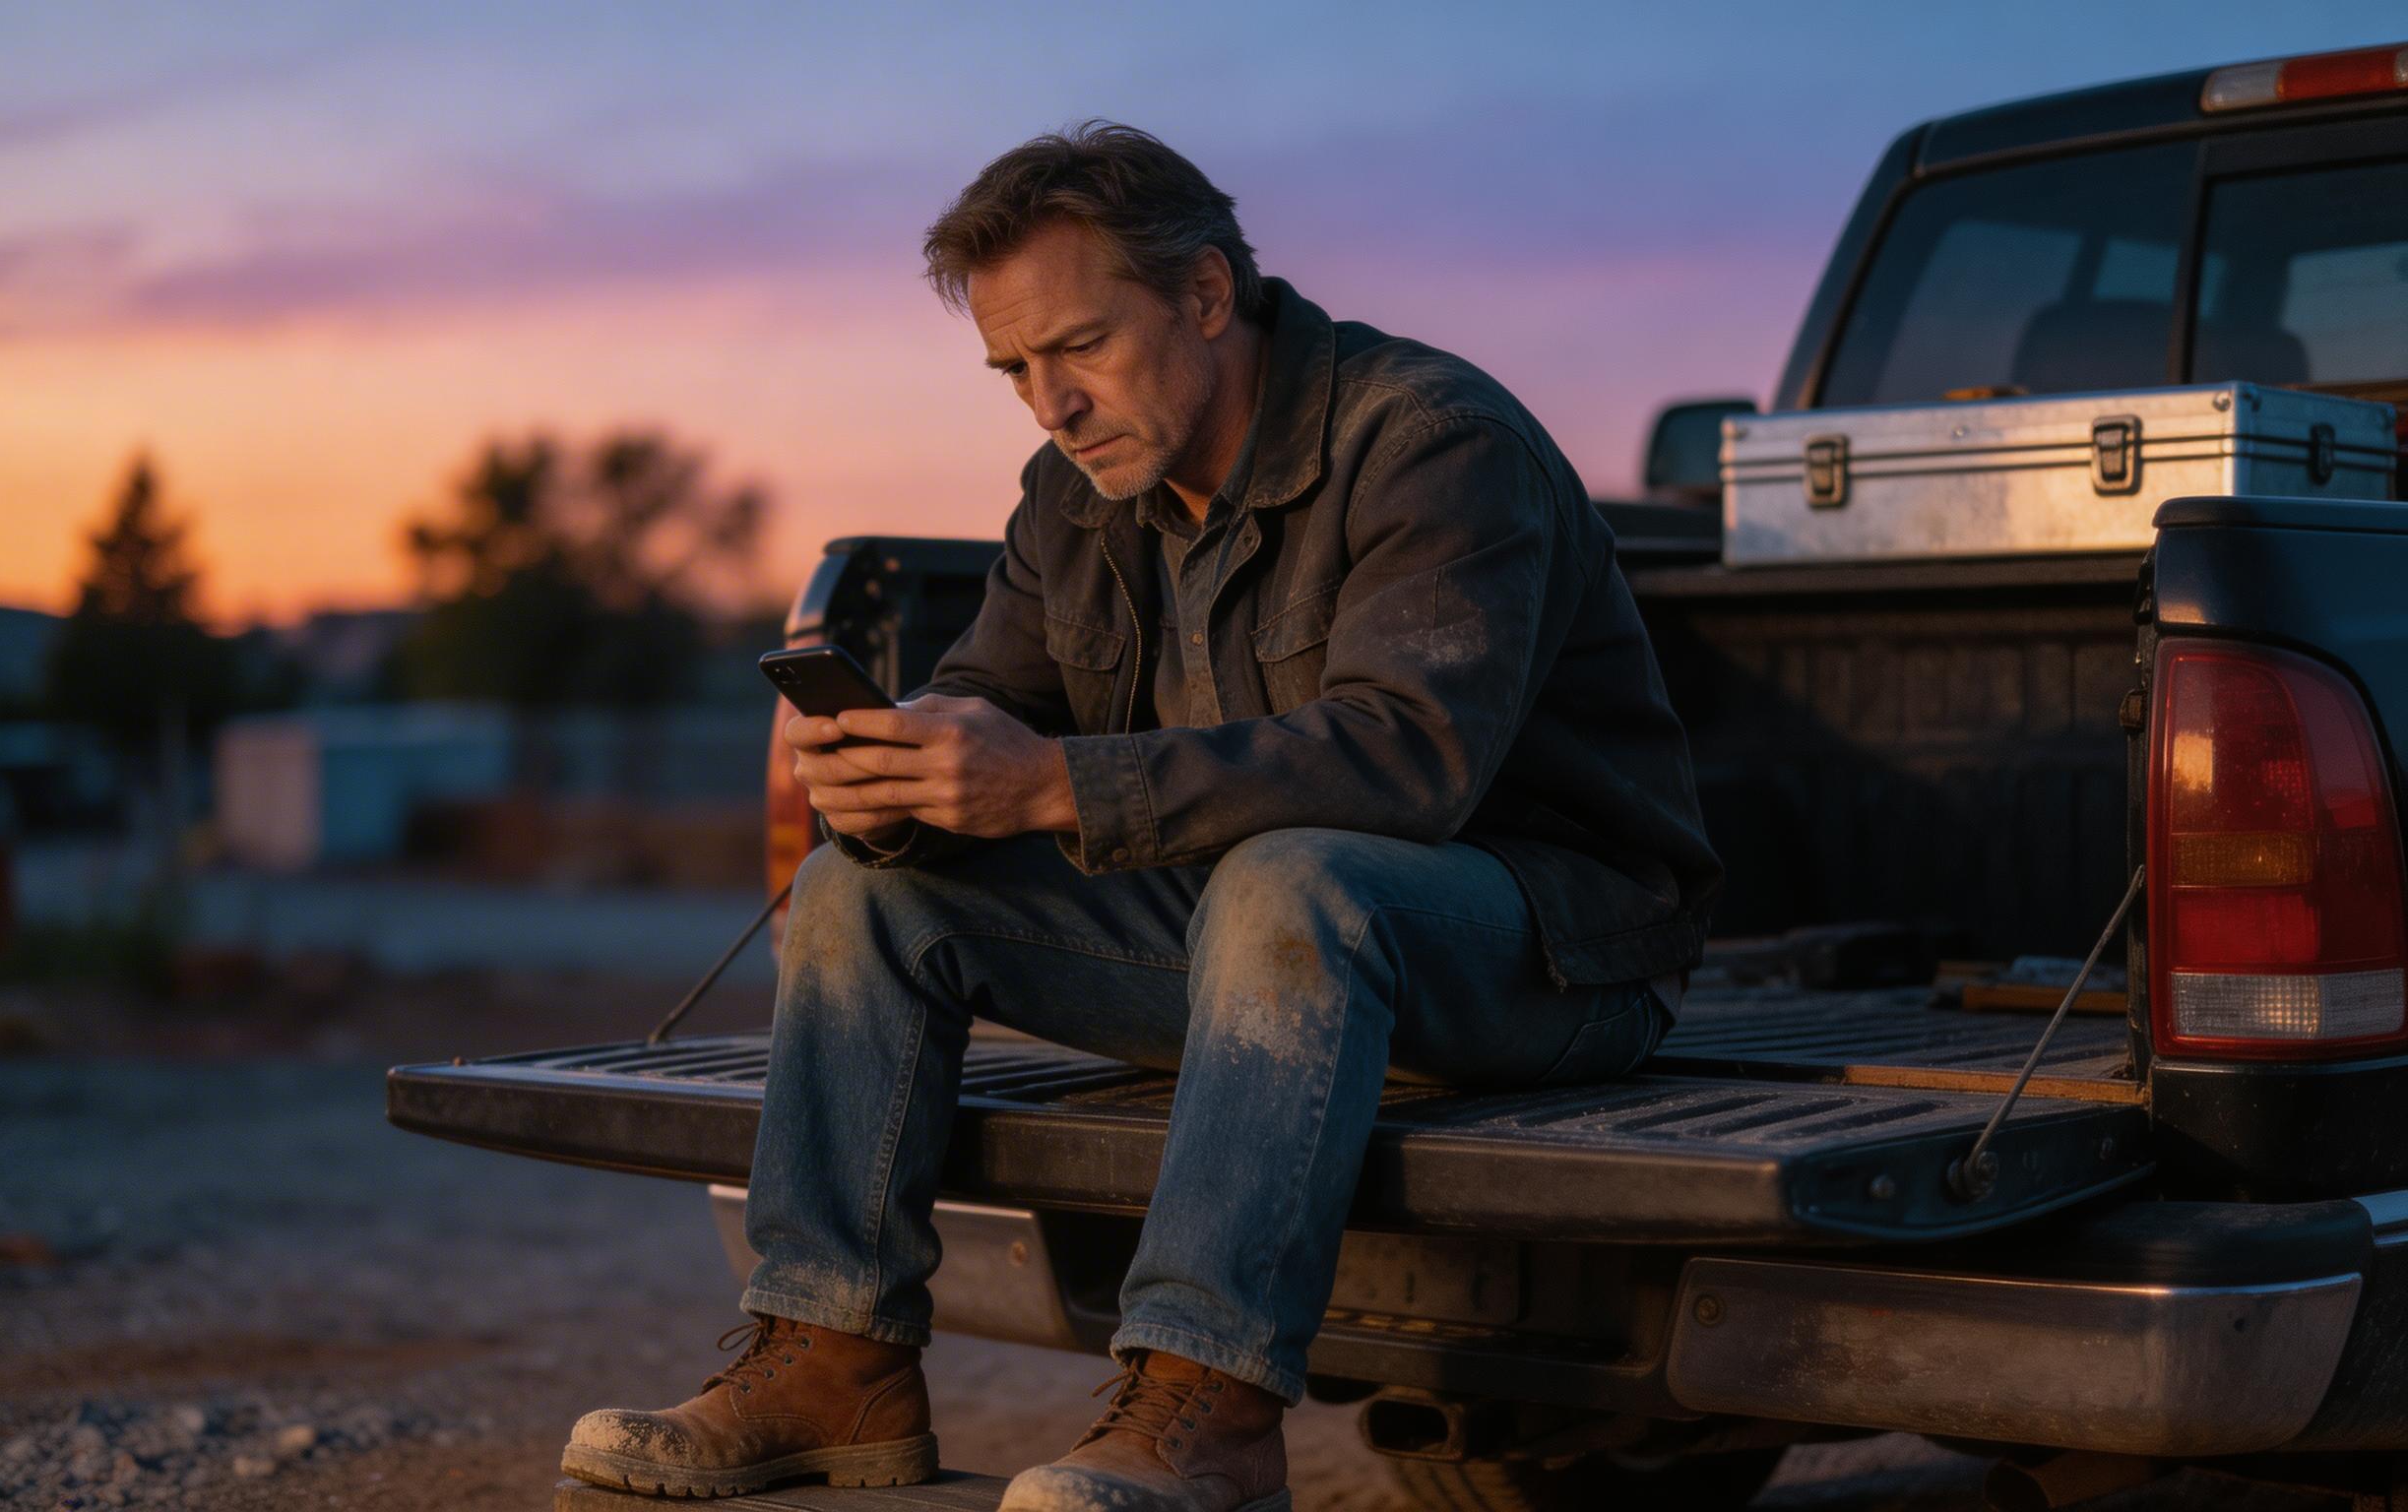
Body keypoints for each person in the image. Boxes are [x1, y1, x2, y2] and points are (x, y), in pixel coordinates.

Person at [561, 122, 1720, 1512]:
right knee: (861, 893)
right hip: (1265, 952)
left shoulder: (1432, 439)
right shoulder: (1078, 489)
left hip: (1548, 957)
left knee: (1291, 884)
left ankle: (1206, 1411)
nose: (1050, 404)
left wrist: (1054, 784)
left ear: (1208, 294)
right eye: (1014, 370)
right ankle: (833, 1361)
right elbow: (990, 696)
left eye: (1082, 347)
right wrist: (898, 777)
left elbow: (1411, 761)